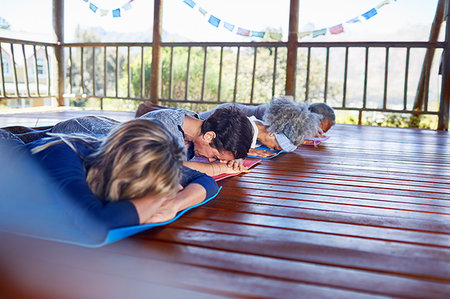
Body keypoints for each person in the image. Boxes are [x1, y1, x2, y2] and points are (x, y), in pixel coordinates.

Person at [1, 118, 219, 240]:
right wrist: (160, 196)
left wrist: (176, 203)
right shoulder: (60, 156)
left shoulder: (134, 157)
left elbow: (206, 181)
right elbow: (97, 221)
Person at [135, 96, 335, 157]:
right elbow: (243, 130)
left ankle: (149, 111)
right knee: (184, 117)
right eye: (276, 146)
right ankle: (148, 109)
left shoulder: (289, 121)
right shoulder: (271, 116)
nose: (274, 149)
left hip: (229, 119)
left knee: (184, 115)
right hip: (228, 114)